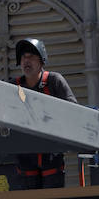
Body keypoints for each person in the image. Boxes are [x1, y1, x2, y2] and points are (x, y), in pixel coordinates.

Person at [12, 37, 76, 189]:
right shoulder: (14, 86)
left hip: (51, 153)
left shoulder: (54, 81)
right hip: (25, 154)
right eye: (23, 57)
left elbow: (73, 110)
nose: (26, 61)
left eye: (32, 57)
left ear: (41, 61)